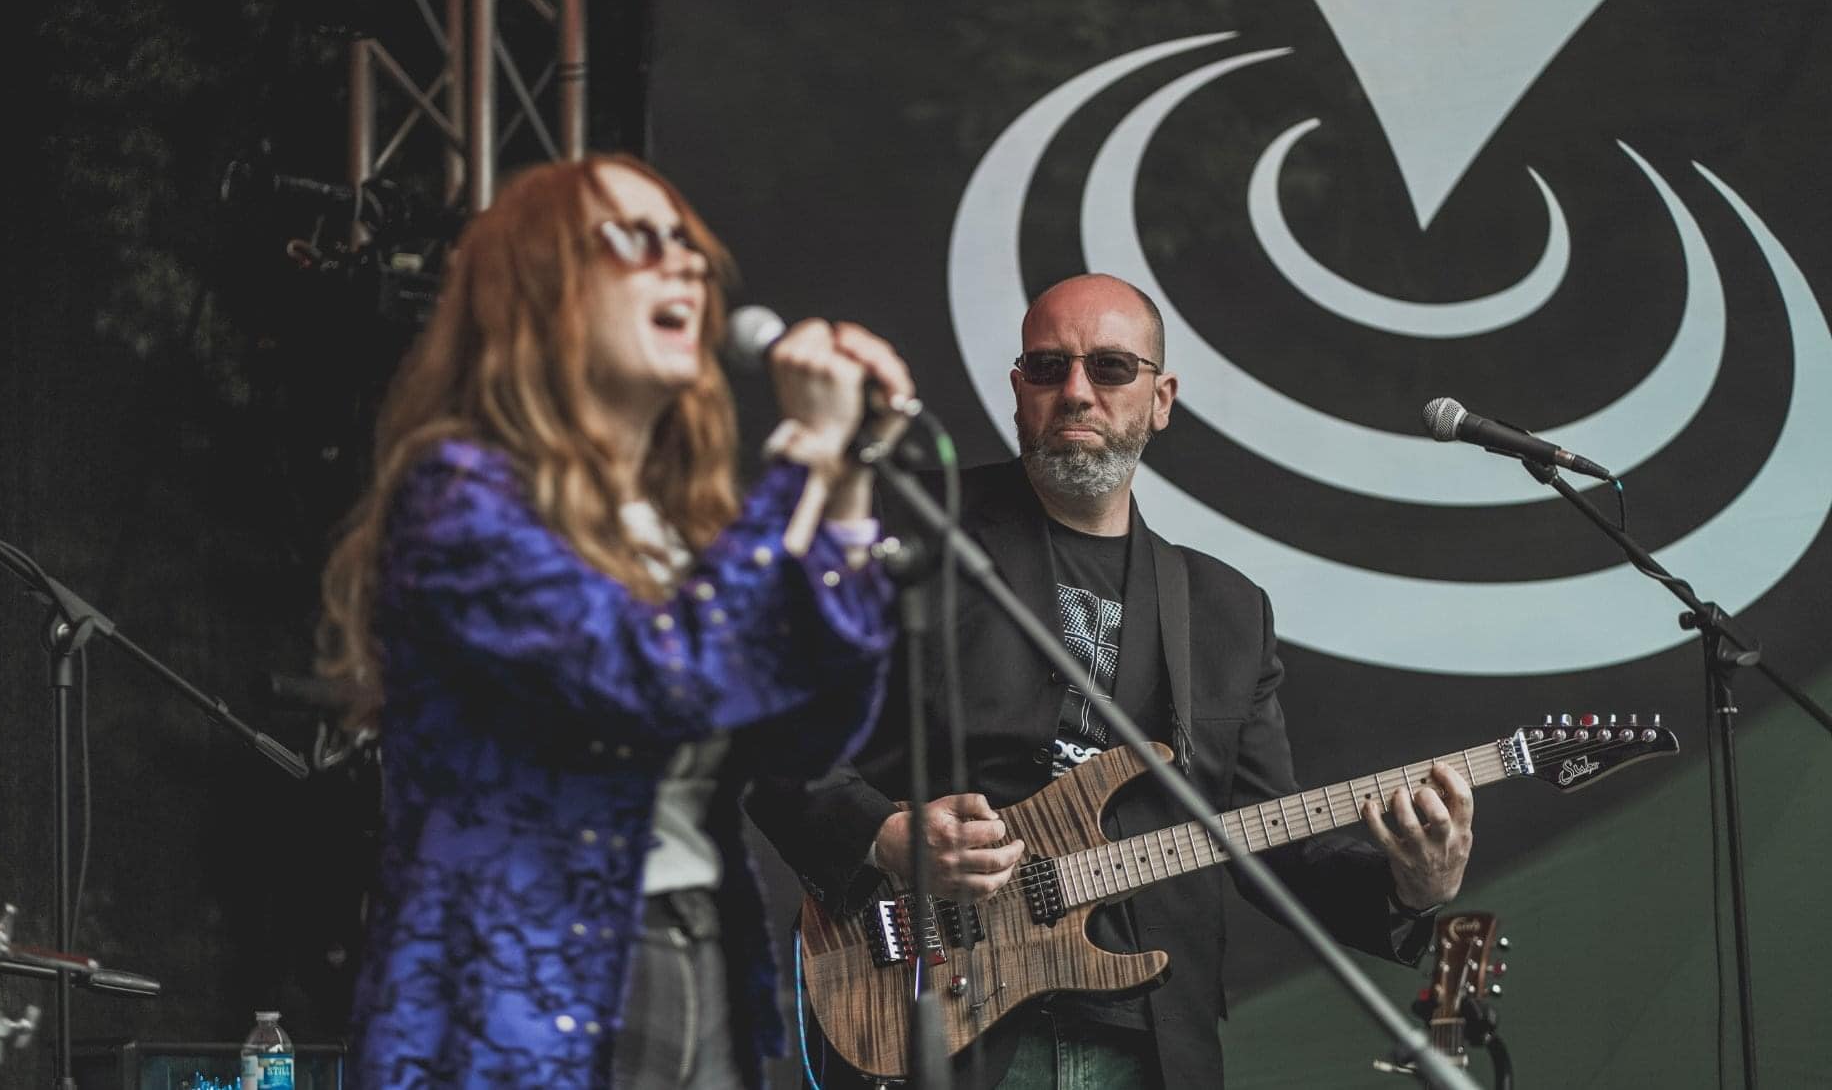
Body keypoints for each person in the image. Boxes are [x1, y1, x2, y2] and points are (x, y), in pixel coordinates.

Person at [749, 273, 1475, 1089]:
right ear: (1018, 389)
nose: (1076, 390)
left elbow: (1272, 843)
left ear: (1161, 399)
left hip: (1150, 1041)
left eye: (1111, 367)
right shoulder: (913, 533)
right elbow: (769, 737)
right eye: (1048, 366)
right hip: (934, 1012)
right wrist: (886, 834)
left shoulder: (1226, 612)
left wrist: (1411, 889)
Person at [319, 153, 911, 1089]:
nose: (684, 262)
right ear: (539, 286)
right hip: (528, 978)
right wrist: (803, 455)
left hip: (697, 949)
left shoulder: (676, 524)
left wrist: (846, 496)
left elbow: (806, 735)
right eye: (637, 239)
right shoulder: (461, 497)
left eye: (688, 243)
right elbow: (655, 679)